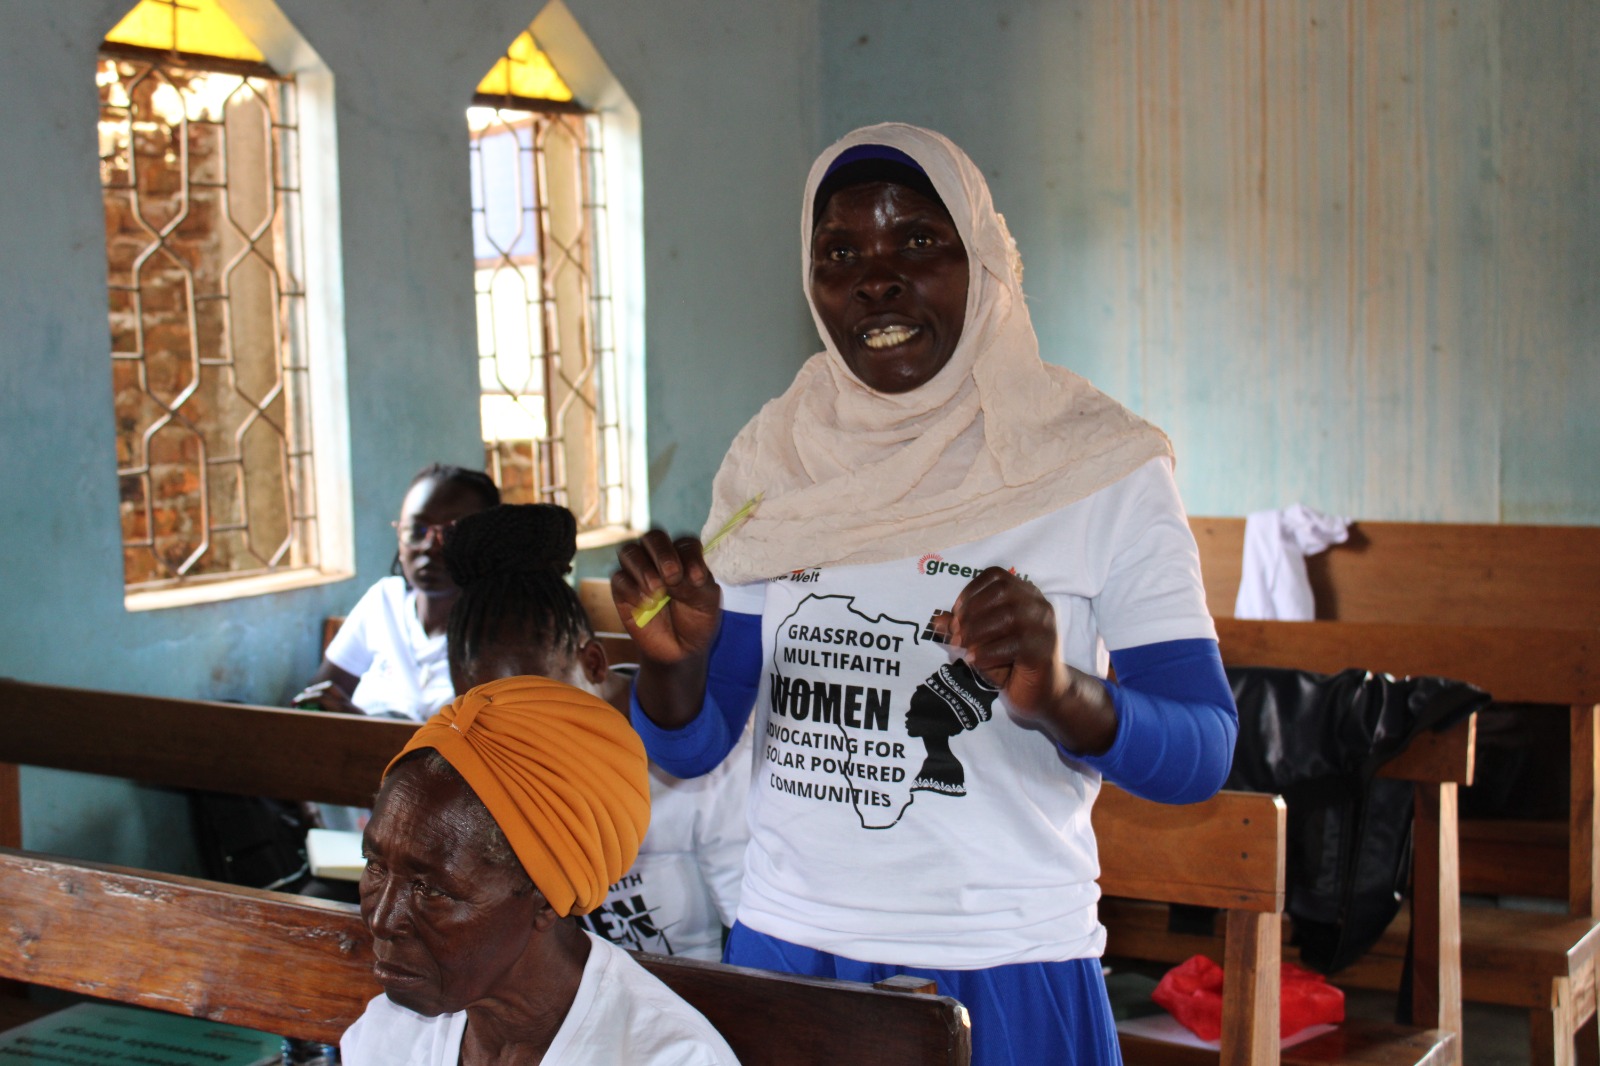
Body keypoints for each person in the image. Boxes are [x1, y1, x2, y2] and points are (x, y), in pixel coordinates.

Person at [611, 124, 1239, 1066]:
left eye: (917, 241)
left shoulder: (1097, 465)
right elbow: (695, 747)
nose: (877, 278)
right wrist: (674, 672)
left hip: (1004, 965)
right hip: (792, 959)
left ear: (981, 260)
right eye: (840, 253)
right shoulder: (775, 465)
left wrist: (1063, 694)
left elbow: (1202, 751)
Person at [340, 675, 739, 1066]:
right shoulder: (387, 1034)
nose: (382, 918)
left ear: (546, 898)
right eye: (374, 865)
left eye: (432, 890)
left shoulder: (669, 1057)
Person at [441, 503, 751, 963]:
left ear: (593, 663)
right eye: (486, 720)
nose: (516, 742)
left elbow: (745, 938)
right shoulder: (487, 760)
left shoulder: (700, 760)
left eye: (535, 708)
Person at [293, 464, 500, 722]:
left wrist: (364, 726)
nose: (429, 547)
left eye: (451, 533)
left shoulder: (502, 633)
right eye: (416, 530)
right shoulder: (383, 601)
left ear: (489, 543)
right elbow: (313, 703)